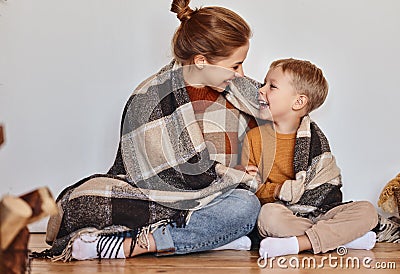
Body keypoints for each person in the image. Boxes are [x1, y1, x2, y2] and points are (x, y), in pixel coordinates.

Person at [36, 0, 266, 261]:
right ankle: (207, 238)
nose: (241, 74)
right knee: (84, 202)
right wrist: (230, 175)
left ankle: (124, 246)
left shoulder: (240, 92)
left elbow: (286, 114)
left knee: (245, 206)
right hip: (154, 197)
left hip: (218, 198)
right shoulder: (150, 97)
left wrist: (239, 176)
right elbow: (156, 177)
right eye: (235, 65)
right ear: (201, 61)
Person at [240, 58, 379, 259]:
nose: (261, 90)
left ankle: (299, 243)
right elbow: (250, 186)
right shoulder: (254, 138)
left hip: (321, 210)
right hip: (284, 213)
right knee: (267, 215)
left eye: (272, 86)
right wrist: (279, 190)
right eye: (264, 84)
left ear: (298, 102)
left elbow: (323, 182)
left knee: (367, 211)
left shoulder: (315, 141)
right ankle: (342, 239)